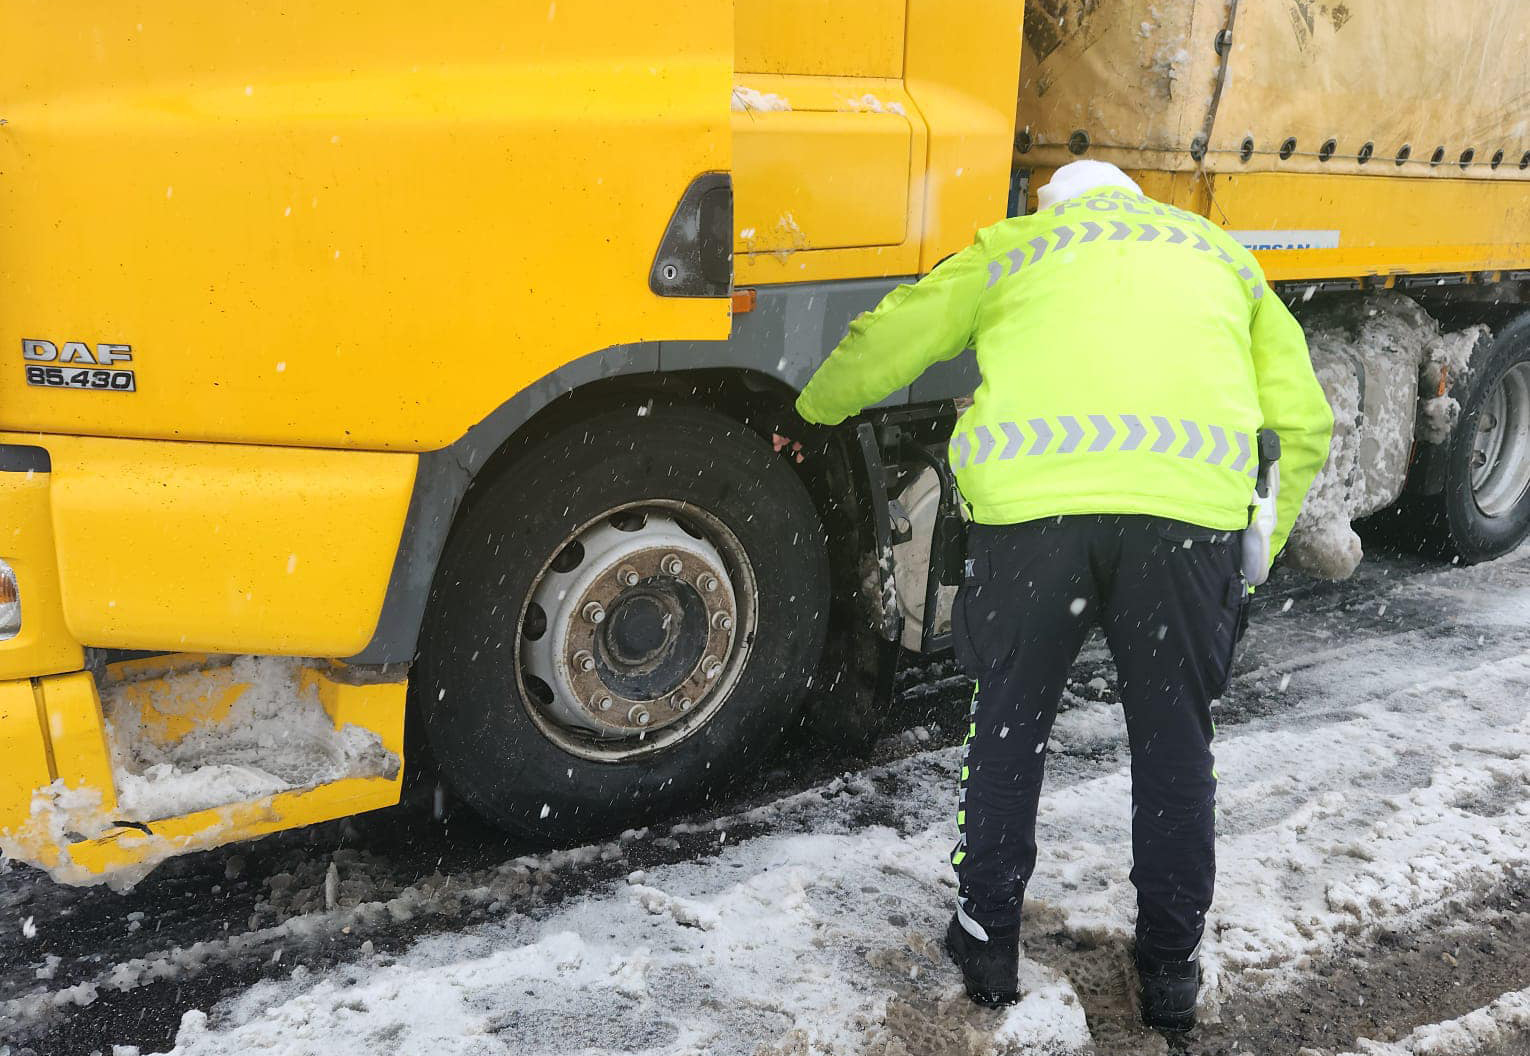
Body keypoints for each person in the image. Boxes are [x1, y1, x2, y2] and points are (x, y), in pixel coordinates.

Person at [792, 160, 1333, 1030]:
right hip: (1185, 525)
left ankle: (988, 939)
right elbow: (1305, 416)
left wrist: (812, 411)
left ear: (1052, 203)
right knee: (1174, 745)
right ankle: (1168, 966)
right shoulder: (1220, 255)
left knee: (1009, 726)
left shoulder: (1016, 247)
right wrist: (1258, 543)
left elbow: (890, 338)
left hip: (1033, 525)